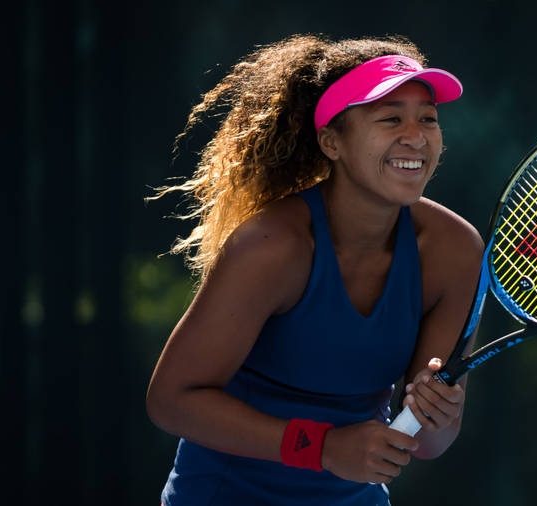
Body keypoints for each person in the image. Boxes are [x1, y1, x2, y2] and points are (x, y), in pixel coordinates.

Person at [146, 34, 483, 506]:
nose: (416, 136)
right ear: (331, 142)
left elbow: (427, 445)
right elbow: (172, 400)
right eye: (391, 118)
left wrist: (438, 414)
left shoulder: (456, 251)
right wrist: (322, 448)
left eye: (428, 118)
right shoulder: (273, 245)